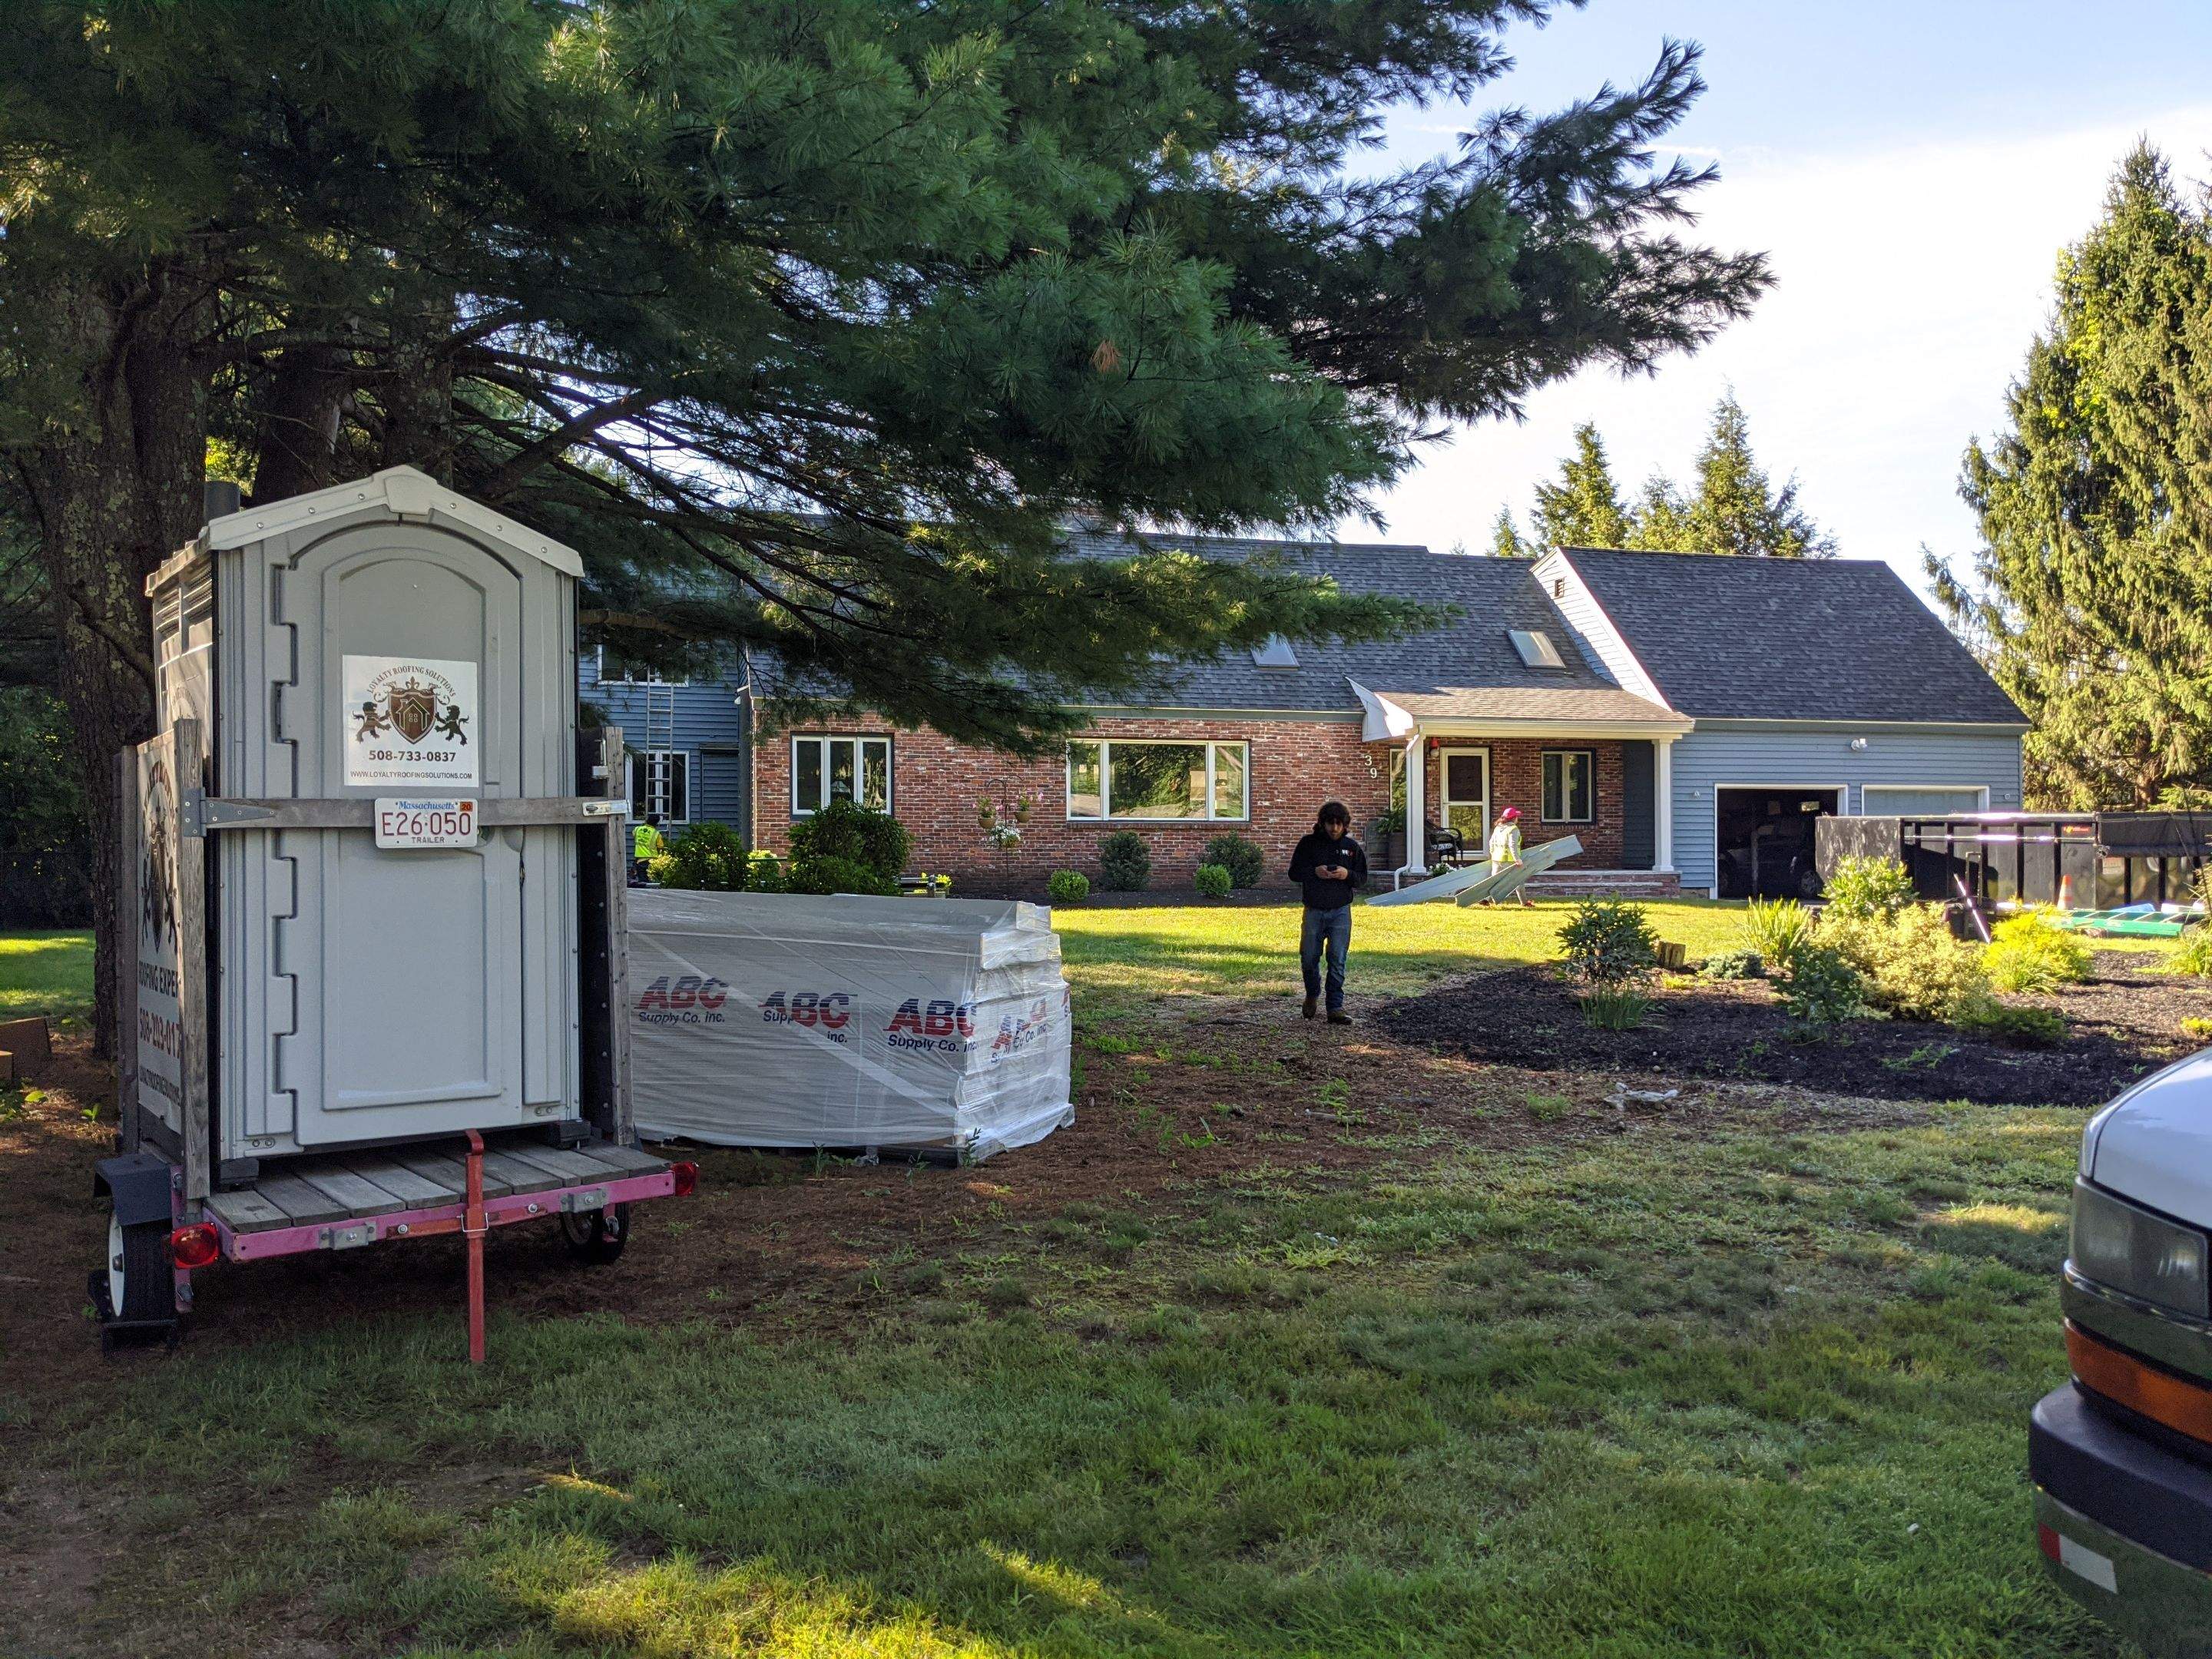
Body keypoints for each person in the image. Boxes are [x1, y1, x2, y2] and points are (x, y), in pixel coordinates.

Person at [1287, 800, 1367, 1023]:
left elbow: (1362, 878)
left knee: (1337, 958)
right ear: (1322, 823)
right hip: (1314, 910)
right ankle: (1312, 994)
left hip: (1341, 910)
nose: (1334, 828)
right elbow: (1294, 873)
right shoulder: (1308, 844)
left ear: (1345, 825)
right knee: (1309, 957)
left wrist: (1347, 874)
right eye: (1330, 823)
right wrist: (1314, 871)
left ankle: (1335, 1007)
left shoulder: (1351, 848)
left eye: (1339, 824)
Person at [1483, 806, 1533, 908]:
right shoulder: (1513, 829)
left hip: (1496, 859)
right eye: (1517, 817)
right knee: (1519, 880)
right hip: (1509, 860)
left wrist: (1493, 854)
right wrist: (1517, 859)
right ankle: (1524, 903)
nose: (1518, 819)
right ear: (1514, 818)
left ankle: (1484, 900)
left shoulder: (1498, 828)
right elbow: (1513, 845)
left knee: (1494, 881)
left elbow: (1491, 843)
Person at [631, 811, 665, 885]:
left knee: (643, 883)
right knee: (653, 882)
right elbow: (661, 847)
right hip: (653, 861)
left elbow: (633, 834)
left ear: (647, 820)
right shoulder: (656, 834)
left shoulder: (637, 829)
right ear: (657, 823)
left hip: (640, 860)